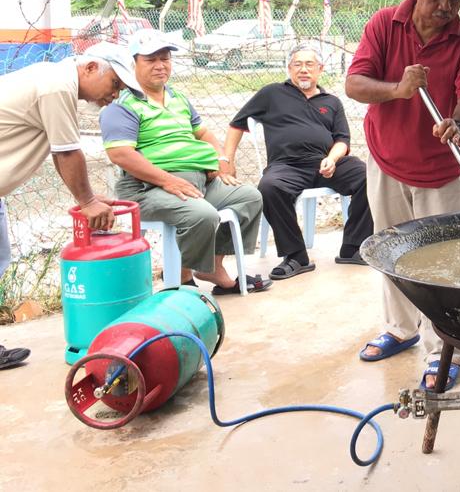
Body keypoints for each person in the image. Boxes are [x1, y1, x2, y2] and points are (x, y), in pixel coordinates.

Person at [345, 0, 460, 392]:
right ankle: (400, 328)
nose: (446, 6)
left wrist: (458, 123)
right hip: (387, 160)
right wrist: (399, 88)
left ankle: (445, 348)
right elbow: (354, 83)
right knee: (392, 250)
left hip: (443, 167)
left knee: (443, 261)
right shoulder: (384, 24)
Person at [0, 42, 138, 369]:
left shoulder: (54, 81)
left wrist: (87, 198)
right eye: (114, 83)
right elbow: (67, 151)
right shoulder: (57, 86)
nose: (115, 94)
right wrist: (87, 201)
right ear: (90, 68)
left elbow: (59, 151)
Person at [101, 30, 270, 296]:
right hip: (150, 188)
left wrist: (221, 158)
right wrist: (168, 180)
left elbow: (203, 133)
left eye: (165, 58)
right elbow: (120, 154)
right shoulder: (123, 105)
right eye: (151, 60)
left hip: (199, 182)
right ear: (133, 64)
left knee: (249, 198)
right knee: (202, 215)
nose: (160, 65)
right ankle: (183, 277)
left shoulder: (178, 98)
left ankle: (212, 267)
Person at [221, 44, 375, 279]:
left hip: (326, 163)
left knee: (368, 175)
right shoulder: (272, 93)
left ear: (320, 69)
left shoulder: (332, 101)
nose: (303, 69)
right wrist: (227, 159)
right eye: (297, 64)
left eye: (309, 64)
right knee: (269, 187)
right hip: (286, 165)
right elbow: (236, 124)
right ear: (289, 68)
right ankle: (296, 257)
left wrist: (332, 159)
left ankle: (353, 247)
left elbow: (342, 140)